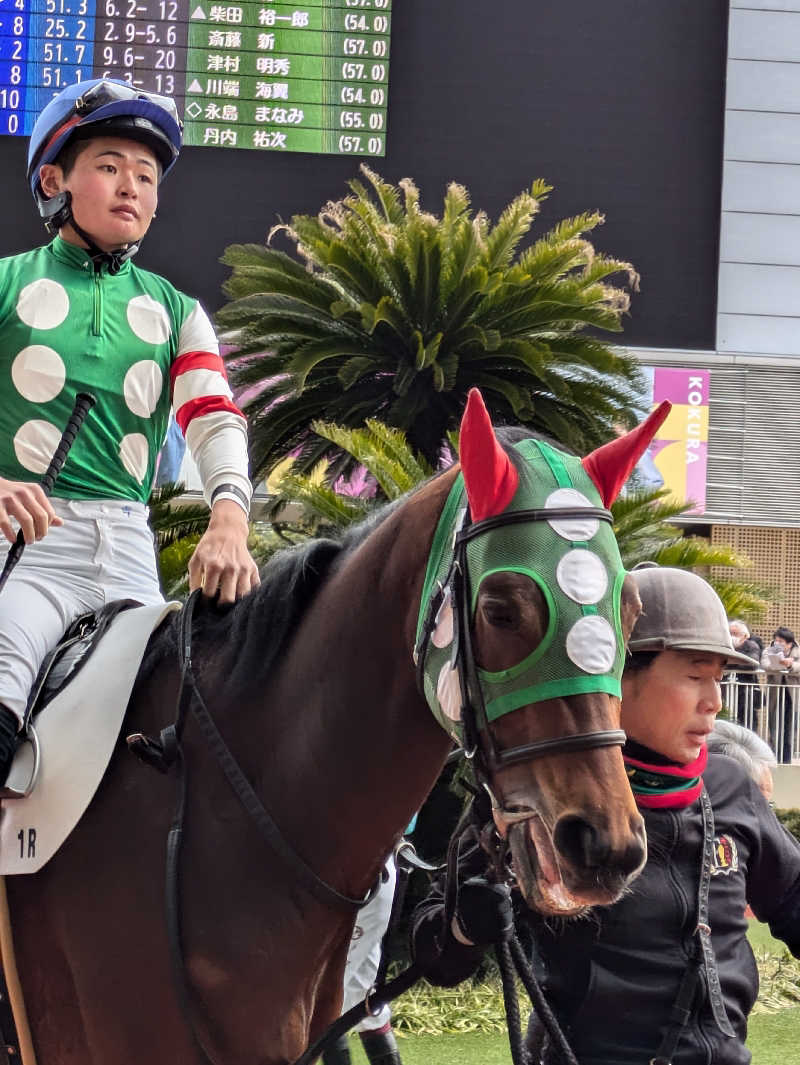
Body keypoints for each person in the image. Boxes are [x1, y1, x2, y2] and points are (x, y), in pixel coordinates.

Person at [410, 566, 800, 1065]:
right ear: (616, 675)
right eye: (695, 676)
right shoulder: (536, 795)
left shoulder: (730, 786)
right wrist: (466, 923)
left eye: (719, 679)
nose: (715, 702)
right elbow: (436, 955)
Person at [0, 78, 260, 781]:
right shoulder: (7, 283)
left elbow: (213, 417)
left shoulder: (177, 311)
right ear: (55, 179)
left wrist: (230, 519)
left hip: (128, 558)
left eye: (146, 175)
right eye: (109, 166)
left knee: (194, 743)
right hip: (24, 556)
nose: (132, 186)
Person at [760, 626, 800, 764]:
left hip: (792, 696)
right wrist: (780, 664)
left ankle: (786, 760)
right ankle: (775, 759)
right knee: (775, 727)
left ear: (789, 643)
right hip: (775, 695)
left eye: (781, 641)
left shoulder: (797, 651)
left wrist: (791, 665)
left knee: (790, 729)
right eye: (776, 640)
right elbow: (764, 664)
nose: (777, 643)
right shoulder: (768, 650)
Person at [727, 620, 761, 727]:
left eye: (735, 634)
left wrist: (734, 662)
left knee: (747, 719)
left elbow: (753, 663)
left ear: (744, 636)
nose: (732, 637)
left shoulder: (751, 646)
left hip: (746, 689)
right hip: (727, 689)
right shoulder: (726, 646)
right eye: (730, 633)